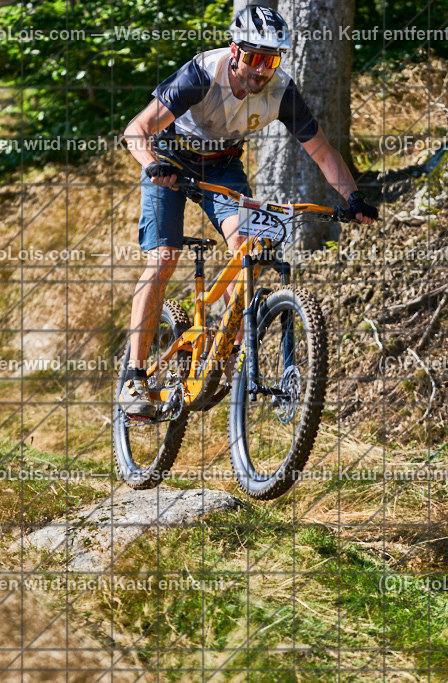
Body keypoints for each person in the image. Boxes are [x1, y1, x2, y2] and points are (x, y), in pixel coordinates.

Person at [119, 4, 377, 419]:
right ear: (235, 51)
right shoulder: (202, 74)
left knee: (249, 244)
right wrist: (153, 165)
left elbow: (323, 151)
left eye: (270, 61)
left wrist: (353, 197)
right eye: (255, 58)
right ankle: (134, 374)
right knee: (164, 258)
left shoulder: (282, 91)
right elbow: (137, 129)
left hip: (222, 166)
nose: (262, 71)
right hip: (168, 159)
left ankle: (225, 344)